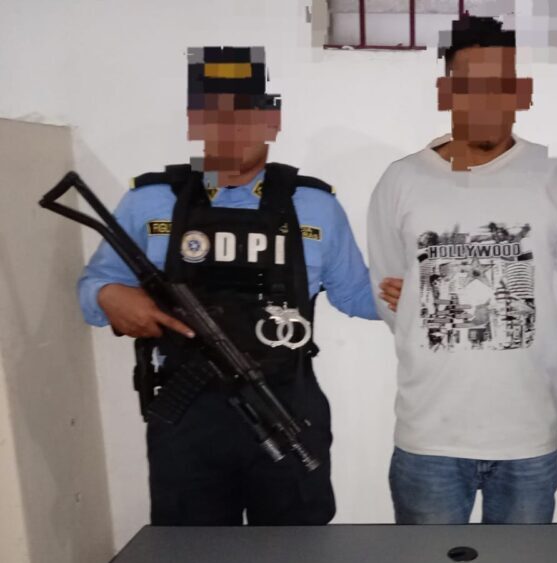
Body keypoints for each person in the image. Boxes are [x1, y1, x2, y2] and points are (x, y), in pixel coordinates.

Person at [77, 46, 377, 525]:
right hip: (187, 418)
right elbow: (96, 285)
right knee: (191, 552)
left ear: (272, 122)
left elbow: (357, 295)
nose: (231, 130)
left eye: (246, 115)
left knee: (296, 552)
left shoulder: (314, 206)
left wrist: (426, 286)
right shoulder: (151, 201)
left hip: (285, 406)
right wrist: (106, 295)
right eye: (214, 115)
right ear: (194, 123)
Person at [366, 16, 557, 525]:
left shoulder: (556, 177)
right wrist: (432, 319)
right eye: (471, 84)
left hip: (528, 437)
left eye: (501, 84)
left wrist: (538, 318)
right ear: (447, 91)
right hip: (429, 437)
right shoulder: (402, 180)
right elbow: (390, 295)